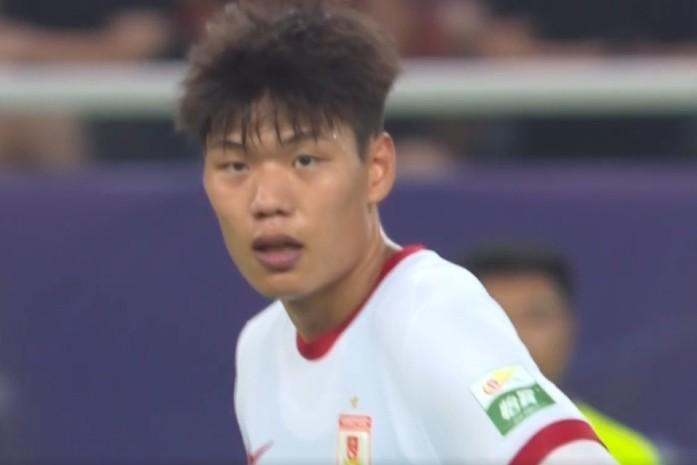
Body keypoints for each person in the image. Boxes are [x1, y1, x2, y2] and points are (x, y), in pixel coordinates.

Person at [177, 1, 617, 463]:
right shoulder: (259, 349)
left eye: (305, 160)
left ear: (377, 168)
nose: (267, 201)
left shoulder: (429, 320)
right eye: (235, 166)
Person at [462, 243, 662, 465]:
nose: (516, 334)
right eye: (496, 315)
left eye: (536, 316)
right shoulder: (431, 442)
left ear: (569, 326)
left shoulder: (627, 454)